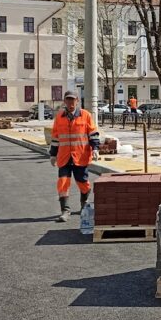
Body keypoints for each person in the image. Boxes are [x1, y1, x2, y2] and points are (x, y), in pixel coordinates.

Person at [49, 91, 100, 223]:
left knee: (83, 183)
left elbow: (93, 134)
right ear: (64, 102)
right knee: (63, 183)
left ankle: (84, 203)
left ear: (77, 100)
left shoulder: (86, 115)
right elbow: (55, 137)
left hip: (80, 156)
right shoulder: (59, 117)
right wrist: (53, 154)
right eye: (68, 100)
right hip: (64, 157)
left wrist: (95, 148)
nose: (71, 103)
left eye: (73, 100)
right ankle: (65, 211)